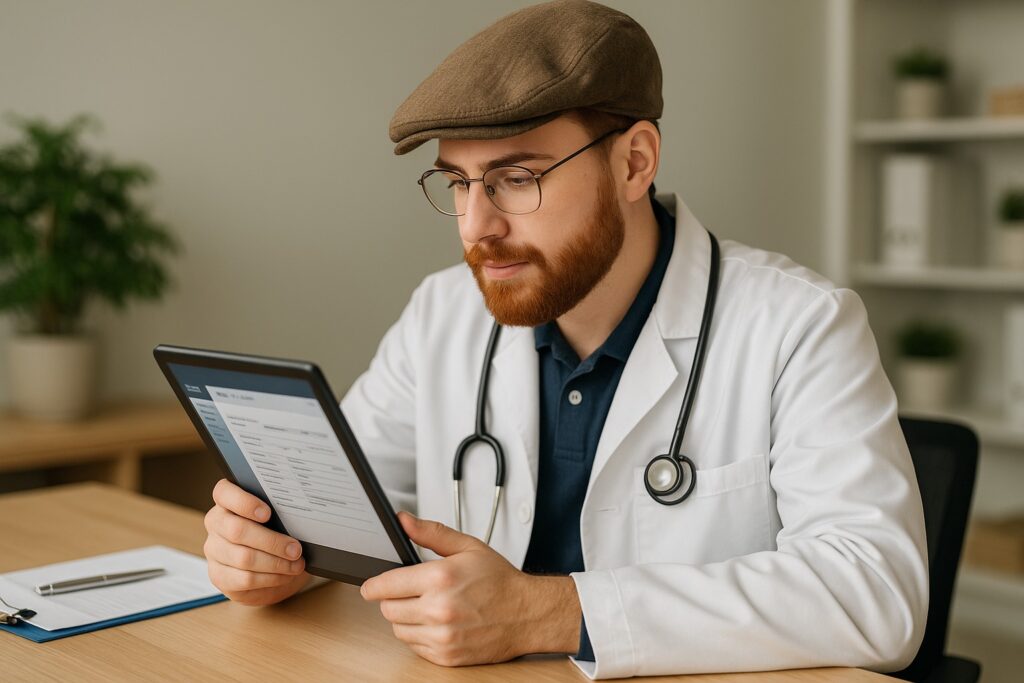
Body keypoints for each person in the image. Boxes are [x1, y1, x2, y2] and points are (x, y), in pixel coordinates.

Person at [201, 1, 928, 678]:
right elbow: (338, 504)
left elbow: (879, 591)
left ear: (635, 162)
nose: (475, 225)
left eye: (515, 177)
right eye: (458, 182)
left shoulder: (799, 324)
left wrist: (548, 611)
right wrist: (272, 552)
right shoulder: (443, 314)